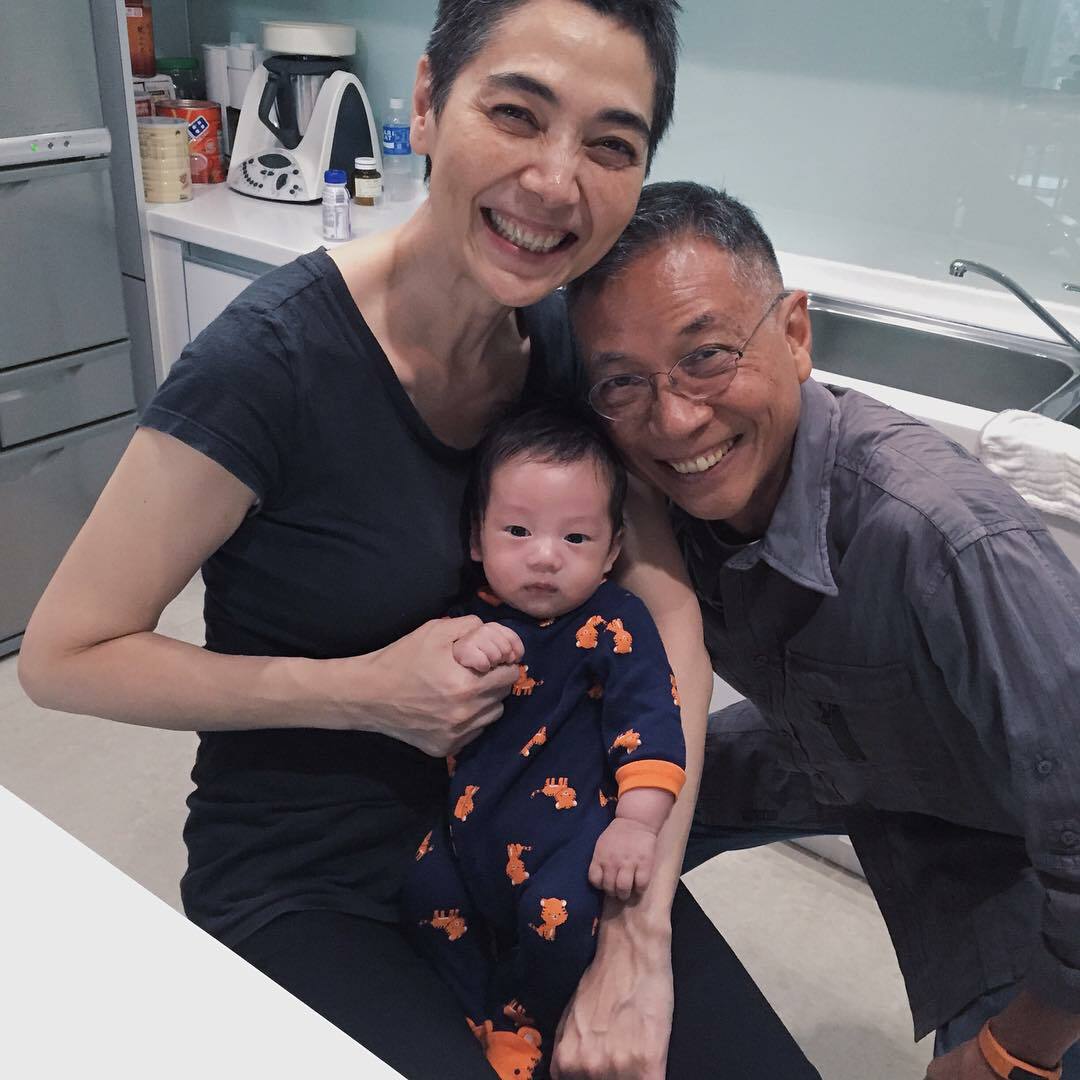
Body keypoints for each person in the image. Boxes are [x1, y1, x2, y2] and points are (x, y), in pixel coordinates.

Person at [17, 4, 820, 1077]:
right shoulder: (268, 366)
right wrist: (363, 692)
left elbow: (666, 609)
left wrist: (640, 936)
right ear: (430, 103)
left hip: (546, 834)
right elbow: (65, 656)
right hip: (316, 877)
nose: (555, 182)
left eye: (610, 145)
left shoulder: (565, 350)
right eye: (517, 113)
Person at [568, 179, 1080, 1080]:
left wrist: (1018, 1050)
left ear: (797, 334)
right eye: (623, 382)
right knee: (590, 810)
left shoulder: (949, 543)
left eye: (707, 356)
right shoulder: (653, 493)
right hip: (832, 740)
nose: (676, 419)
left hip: (1004, 835)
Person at [402, 404, 686, 1079]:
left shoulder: (615, 621)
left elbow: (652, 720)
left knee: (554, 925)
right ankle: (473, 1007)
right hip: (469, 832)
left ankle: (522, 1019)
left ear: (612, 552)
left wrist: (636, 824)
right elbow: (424, 690)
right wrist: (464, 651)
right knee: (421, 888)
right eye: (518, 531)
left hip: (571, 841)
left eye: (577, 538)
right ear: (477, 539)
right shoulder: (463, 619)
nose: (545, 555)